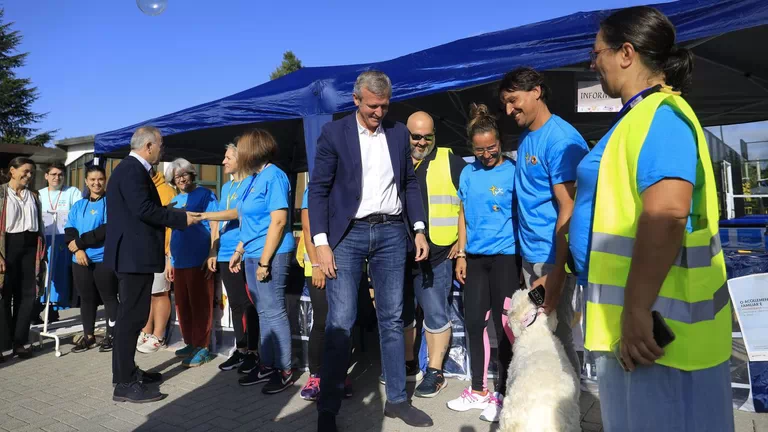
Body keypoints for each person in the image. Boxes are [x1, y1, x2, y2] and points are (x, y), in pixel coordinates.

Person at [570, 6, 733, 431]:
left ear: (626, 53)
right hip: (645, 328)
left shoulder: (660, 116)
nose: (592, 62)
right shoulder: (639, 118)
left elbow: (667, 213)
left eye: (597, 52)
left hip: (660, 335)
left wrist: (637, 308)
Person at [310, 70, 432, 431]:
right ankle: (327, 409)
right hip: (347, 235)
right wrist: (321, 243)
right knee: (340, 322)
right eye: (373, 106)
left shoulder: (397, 134)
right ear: (356, 100)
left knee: (392, 319)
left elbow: (409, 183)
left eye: (385, 105)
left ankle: (396, 400)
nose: (380, 112)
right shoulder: (334, 133)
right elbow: (318, 190)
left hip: (393, 232)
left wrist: (419, 229)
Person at [499, 67, 588, 375]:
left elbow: (570, 208)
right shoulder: (527, 137)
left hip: (552, 260)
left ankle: (569, 415)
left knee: (557, 341)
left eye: (513, 100)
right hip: (532, 256)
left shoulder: (561, 139)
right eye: (505, 103)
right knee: (538, 339)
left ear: (536, 91)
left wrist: (558, 274)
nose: (508, 110)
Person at [105, 126, 199, 403]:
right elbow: (143, 210)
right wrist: (181, 219)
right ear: (148, 146)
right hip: (133, 257)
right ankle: (123, 382)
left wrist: (176, 214)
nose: (163, 150)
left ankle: (128, 371)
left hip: (135, 255)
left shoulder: (132, 169)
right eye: (161, 145)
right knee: (130, 319)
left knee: (132, 317)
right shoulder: (132, 170)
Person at [202, 129, 296, 394]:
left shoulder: (274, 176)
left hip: (272, 253)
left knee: (273, 310)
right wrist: (240, 250)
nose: (237, 155)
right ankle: (267, 363)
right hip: (253, 252)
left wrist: (265, 261)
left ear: (254, 151)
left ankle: (284, 368)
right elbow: (251, 220)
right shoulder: (254, 179)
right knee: (263, 311)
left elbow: (277, 221)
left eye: (241, 149)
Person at [448, 103, 517, 423]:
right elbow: (462, 215)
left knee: (504, 329)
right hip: (474, 259)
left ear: (500, 142)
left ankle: (504, 393)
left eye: (491, 148)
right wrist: (460, 253)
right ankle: (478, 390)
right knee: (474, 323)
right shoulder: (467, 172)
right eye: (480, 150)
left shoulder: (513, 171)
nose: (486, 154)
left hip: (505, 257)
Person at [399, 111, 466, 398]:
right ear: (407, 135)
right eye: (416, 136)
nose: (423, 141)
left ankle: (435, 372)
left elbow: (470, 202)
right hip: (397, 253)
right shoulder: (395, 160)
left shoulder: (450, 160)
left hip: (438, 254)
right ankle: (406, 364)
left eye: (428, 136)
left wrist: (462, 245)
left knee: (436, 314)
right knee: (401, 315)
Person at [207, 144, 261, 374]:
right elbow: (216, 222)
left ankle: (254, 352)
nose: (223, 161)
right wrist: (213, 249)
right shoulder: (227, 186)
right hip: (225, 253)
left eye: (228, 157)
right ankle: (240, 349)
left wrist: (204, 214)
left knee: (249, 303)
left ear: (241, 159)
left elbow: (237, 212)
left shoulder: (252, 183)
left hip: (245, 251)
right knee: (236, 304)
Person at [298, 186, 354, 401]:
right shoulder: (313, 186)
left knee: (343, 322)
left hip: (345, 262)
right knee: (322, 321)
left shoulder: (348, 181)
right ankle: (316, 376)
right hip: (318, 264)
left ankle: (340, 374)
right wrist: (316, 265)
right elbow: (307, 227)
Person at [165, 158, 219, 367]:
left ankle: (203, 346)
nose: (181, 179)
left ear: (192, 174)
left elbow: (215, 222)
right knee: (183, 304)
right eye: (177, 176)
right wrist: (170, 259)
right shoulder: (174, 200)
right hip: (179, 260)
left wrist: (212, 251)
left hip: (199, 258)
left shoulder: (206, 194)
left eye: (184, 174)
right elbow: (170, 230)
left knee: (200, 304)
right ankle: (190, 342)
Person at [65, 165, 118, 353]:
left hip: (102, 259)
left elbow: (106, 229)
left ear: (105, 180)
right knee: (86, 299)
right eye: (92, 180)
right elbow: (69, 229)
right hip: (80, 260)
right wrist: (77, 250)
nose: (96, 183)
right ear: (86, 182)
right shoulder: (79, 205)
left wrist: (80, 243)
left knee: (109, 297)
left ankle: (112, 335)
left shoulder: (110, 202)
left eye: (100, 179)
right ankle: (88, 336)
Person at [0, 157, 46, 361]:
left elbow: (40, 227)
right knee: (3, 295)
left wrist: (41, 249)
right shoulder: (1, 193)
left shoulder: (34, 196)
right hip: (7, 247)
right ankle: (2, 344)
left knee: (27, 295)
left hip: (30, 247)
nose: (28, 176)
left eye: (31, 172)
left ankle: (19, 342)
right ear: (12, 170)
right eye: (25, 171)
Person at [136, 166, 177, 353]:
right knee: (149, 293)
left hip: (162, 250)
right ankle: (147, 331)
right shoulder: (141, 188)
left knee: (160, 293)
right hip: (146, 249)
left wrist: (169, 254)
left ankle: (159, 335)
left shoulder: (166, 191)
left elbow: (171, 225)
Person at [38, 162, 82, 317]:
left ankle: (56, 305)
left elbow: (77, 213)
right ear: (46, 176)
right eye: (53, 174)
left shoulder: (72, 192)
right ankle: (40, 304)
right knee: (45, 272)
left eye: (60, 175)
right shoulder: (39, 193)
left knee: (61, 272)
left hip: (64, 239)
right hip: (45, 239)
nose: (57, 178)